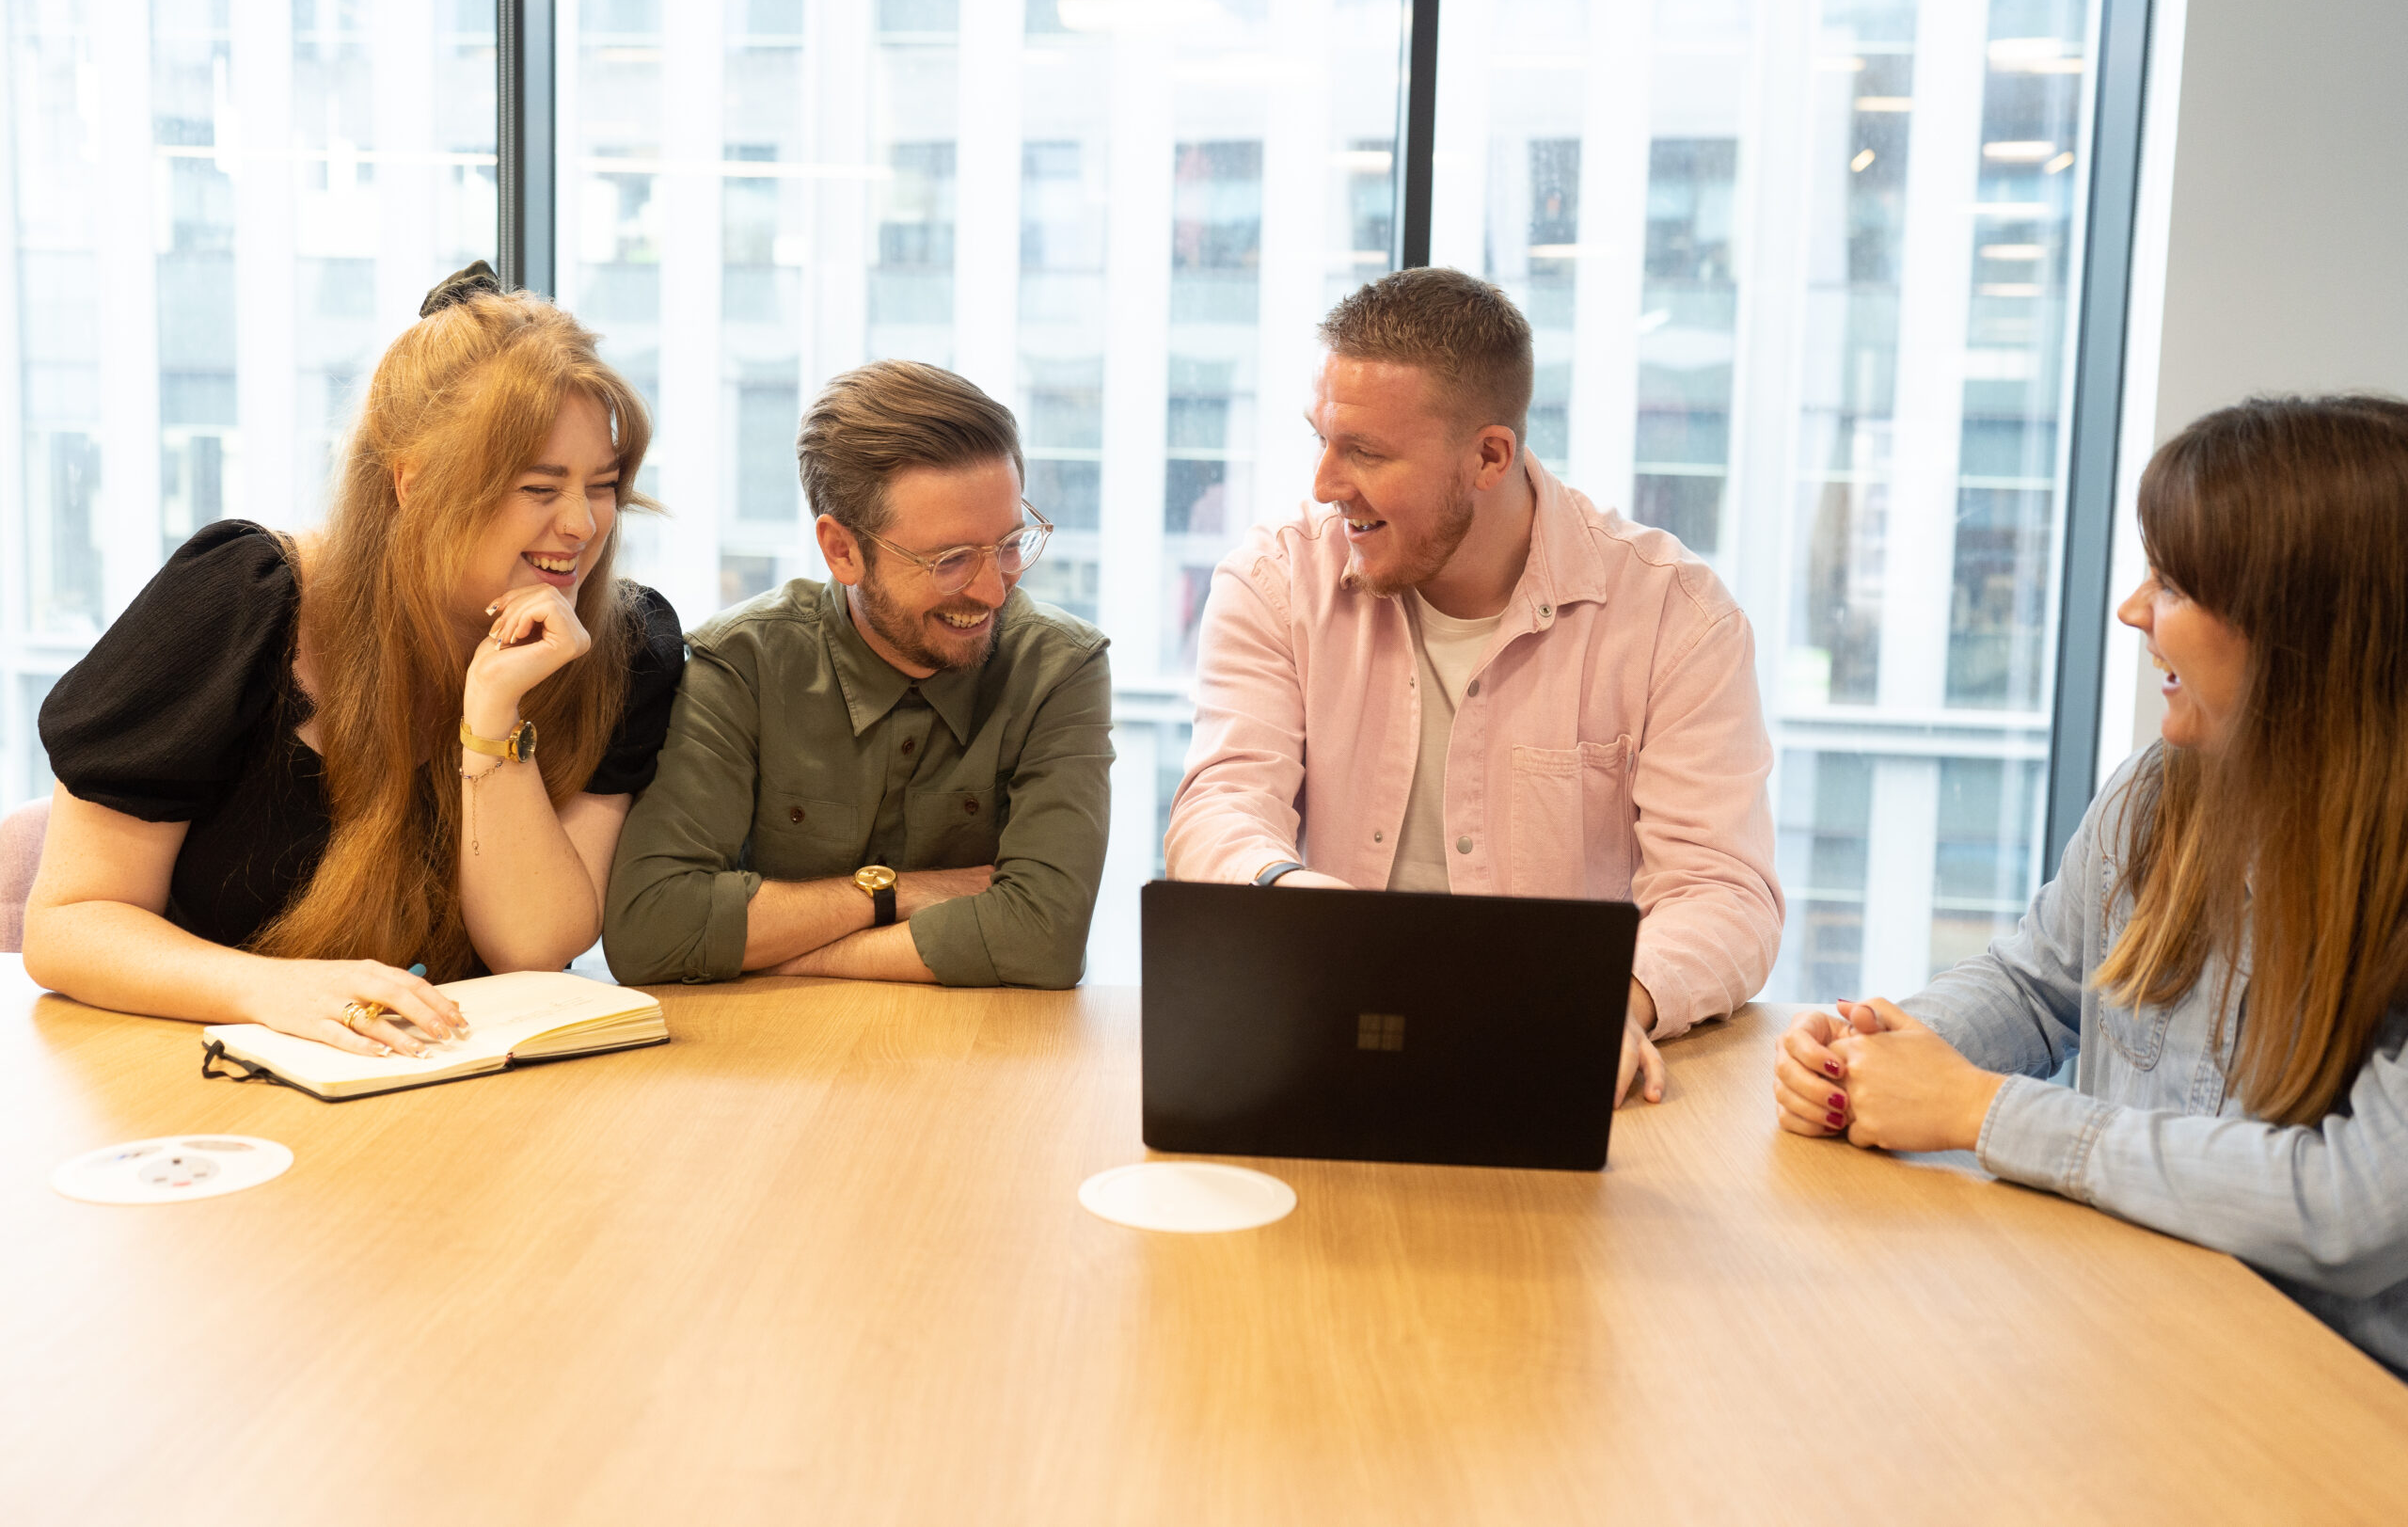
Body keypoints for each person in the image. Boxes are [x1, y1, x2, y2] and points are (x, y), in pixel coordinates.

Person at [1775, 395, 2408, 1376]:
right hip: (2126, 1345)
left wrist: (1982, 1113)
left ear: (2303, 632)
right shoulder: (2164, 788)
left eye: (2174, 583)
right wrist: (1878, 1047)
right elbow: (2039, 981)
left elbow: (2352, 1208)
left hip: (2324, 1407)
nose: (2130, 611)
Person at [24, 262, 685, 1057]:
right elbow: (67, 925)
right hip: (204, 1077)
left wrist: (492, 719)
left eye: (603, 486)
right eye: (539, 488)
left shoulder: (625, 646)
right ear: (414, 481)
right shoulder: (243, 602)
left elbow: (532, 947)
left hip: (454, 1095)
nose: (582, 524)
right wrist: (271, 989)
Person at [1165, 266, 1784, 1108]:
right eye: (1322, 439)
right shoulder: (1274, 580)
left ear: (1491, 454)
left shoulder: (1676, 616)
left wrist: (1609, 1006)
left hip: (1568, 1073)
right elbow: (1218, 809)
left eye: (1367, 453)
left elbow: (1721, 890)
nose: (1324, 483)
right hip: (1321, 1047)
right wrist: (1296, 900)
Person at [603, 360, 1112, 990]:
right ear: (842, 549)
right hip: (772, 1064)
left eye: (1009, 544)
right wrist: (894, 894)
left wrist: (789, 952)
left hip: (984, 1064)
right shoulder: (742, 665)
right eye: (951, 560)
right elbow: (650, 928)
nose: (994, 589)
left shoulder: (1061, 669)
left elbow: (1046, 940)